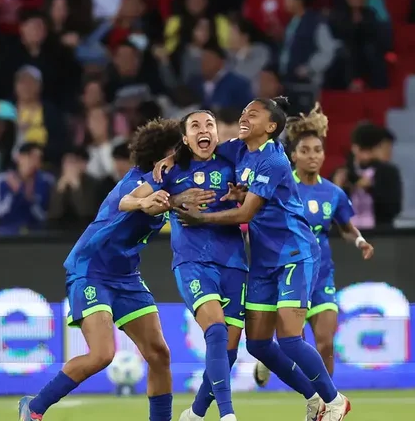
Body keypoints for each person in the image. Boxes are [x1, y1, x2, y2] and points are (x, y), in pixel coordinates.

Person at [169, 98, 352, 421]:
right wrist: (167, 160)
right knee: (257, 345)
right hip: (263, 260)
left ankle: (334, 399)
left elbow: (246, 213)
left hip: (294, 252)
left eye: (252, 115)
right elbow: (203, 150)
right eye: (242, 112)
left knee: (291, 339)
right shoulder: (238, 149)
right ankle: (312, 398)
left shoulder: (274, 161)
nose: (243, 118)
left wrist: (202, 219)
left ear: (270, 127)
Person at [18, 118, 188, 421]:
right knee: (102, 355)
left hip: (126, 276)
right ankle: (34, 407)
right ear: (159, 155)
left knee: (160, 355)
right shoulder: (137, 181)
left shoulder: (174, 183)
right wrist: (147, 202)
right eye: (176, 151)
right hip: (91, 270)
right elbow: (129, 201)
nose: (181, 156)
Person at [123, 110, 244, 421]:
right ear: (186, 139)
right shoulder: (171, 172)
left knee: (228, 350)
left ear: (217, 134)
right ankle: (228, 415)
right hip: (193, 262)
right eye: (195, 126)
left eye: (209, 125)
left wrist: (241, 195)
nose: (203, 130)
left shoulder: (233, 161)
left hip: (234, 262)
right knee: (215, 330)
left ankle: (196, 414)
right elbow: (127, 201)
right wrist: (165, 201)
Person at [270, 103, 375, 376]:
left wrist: (360, 241)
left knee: (325, 343)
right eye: (305, 151)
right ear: (293, 155)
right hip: (290, 275)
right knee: (293, 344)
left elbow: (346, 227)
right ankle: (268, 355)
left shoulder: (333, 193)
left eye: (317, 150)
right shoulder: (280, 188)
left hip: (322, 275)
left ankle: (327, 406)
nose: (312, 156)